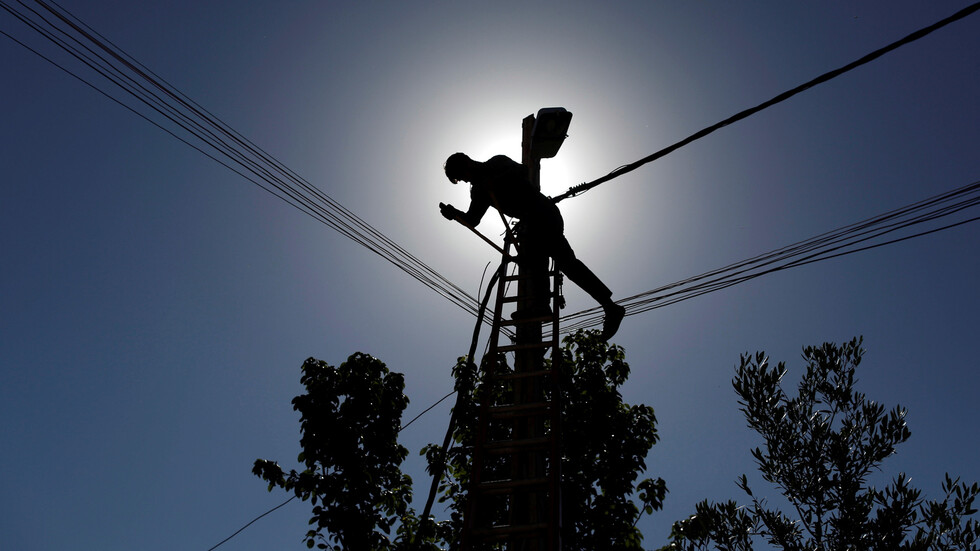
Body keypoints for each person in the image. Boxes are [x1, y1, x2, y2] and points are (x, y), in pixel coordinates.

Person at [439, 152, 626, 340]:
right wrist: (455, 214)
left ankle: (608, 307)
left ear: (468, 164)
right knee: (537, 261)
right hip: (531, 223)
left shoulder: (496, 162)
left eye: (462, 176)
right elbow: (473, 219)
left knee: (564, 263)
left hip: (543, 212)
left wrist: (495, 181)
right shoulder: (478, 191)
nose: (465, 181)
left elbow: (522, 170)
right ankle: (546, 305)